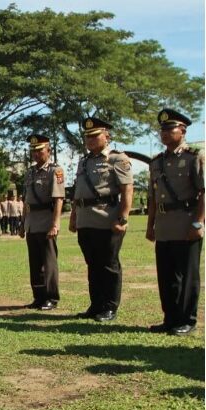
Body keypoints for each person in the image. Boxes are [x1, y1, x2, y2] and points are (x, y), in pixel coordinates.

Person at [146, 109, 204, 336]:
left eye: (170, 129)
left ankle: (187, 320)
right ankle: (170, 318)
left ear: (183, 130)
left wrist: (198, 223)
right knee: (167, 276)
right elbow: (152, 197)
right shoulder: (157, 162)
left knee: (188, 276)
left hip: (186, 223)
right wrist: (150, 225)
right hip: (164, 225)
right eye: (162, 130)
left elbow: (203, 193)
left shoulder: (194, 157)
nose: (165, 133)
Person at [69, 117, 133, 322]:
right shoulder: (84, 161)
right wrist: (73, 217)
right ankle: (96, 305)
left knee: (109, 265)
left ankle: (109, 306)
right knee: (92, 264)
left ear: (107, 136)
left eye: (95, 135)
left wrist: (122, 218)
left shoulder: (117, 159)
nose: (90, 139)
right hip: (85, 220)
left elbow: (127, 190)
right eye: (87, 136)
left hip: (107, 219)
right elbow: (78, 194)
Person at [19, 135, 65, 310]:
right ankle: (38, 297)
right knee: (35, 262)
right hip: (32, 222)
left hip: (47, 220)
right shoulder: (29, 172)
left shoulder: (55, 171)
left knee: (49, 262)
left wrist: (55, 224)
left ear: (49, 151)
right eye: (34, 151)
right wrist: (23, 224)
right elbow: (26, 201)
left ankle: (51, 297)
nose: (36, 154)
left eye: (40, 150)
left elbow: (59, 199)